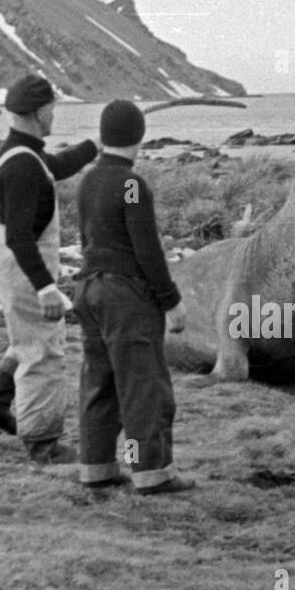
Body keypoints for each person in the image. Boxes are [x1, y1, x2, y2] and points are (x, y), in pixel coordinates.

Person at [0, 75, 98, 463]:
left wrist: (97, 146)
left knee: (26, 339)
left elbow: (56, 165)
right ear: (41, 111)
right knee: (43, 351)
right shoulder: (25, 165)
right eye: (53, 109)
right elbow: (21, 238)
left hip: (10, 264)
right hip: (24, 267)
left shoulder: (15, 153)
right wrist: (46, 287)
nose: (54, 115)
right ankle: (42, 444)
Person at [73, 100, 194, 495]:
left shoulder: (88, 179)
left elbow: (88, 240)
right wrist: (170, 300)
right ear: (140, 137)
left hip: (88, 289)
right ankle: (151, 473)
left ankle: (97, 467)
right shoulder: (130, 184)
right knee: (143, 385)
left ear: (105, 136)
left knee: (100, 381)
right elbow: (147, 251)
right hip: (124, 296)